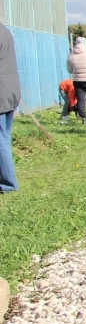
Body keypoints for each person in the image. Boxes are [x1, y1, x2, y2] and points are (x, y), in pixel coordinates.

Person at [0, 17, 21, 193]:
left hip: (1, 91)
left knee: (1, 139)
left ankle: (7, 184)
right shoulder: (5, 30)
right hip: (10, 89)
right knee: (4, 137)